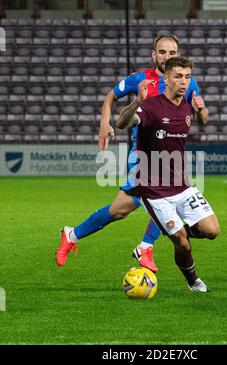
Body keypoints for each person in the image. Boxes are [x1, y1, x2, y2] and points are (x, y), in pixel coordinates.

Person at [55, 35, 205, 273]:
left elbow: (195, 114)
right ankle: (145, 247)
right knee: (164, 197)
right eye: (163, 52)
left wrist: (200, 111)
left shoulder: (185, 80)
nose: (168, 56)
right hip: (142, 154)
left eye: (172, 52)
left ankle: (71, 234)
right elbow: (110, 97)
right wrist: (105, 123)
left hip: (168, 156)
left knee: (119, 210)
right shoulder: (140, 79)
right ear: (153, 55)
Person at [116, 56, 220, 292]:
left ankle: (171, 231)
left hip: (182, 185)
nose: (183, 82)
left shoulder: (186, 106)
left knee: (212, 231)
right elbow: (122, 122)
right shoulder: (151, 106)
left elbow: (202, 120)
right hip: (153, 190)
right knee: (182, 243)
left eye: (187, 77)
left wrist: (201, 108)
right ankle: (194, 282)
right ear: (166, 79)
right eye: (178, 76)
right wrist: (137, 102)